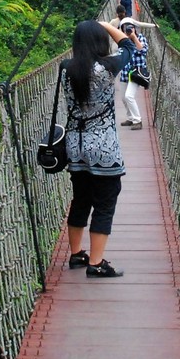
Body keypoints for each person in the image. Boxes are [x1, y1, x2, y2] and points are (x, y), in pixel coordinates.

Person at [62, 18, 137, 278]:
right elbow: (129, 46)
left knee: (80, 199)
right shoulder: (107, 67)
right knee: (105, 203)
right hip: (103, 148)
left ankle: (76, 254)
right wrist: (105, 24)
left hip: (75, 146)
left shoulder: (65, 68)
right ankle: (95, 263)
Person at [117, 17, 155, 129]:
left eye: (130, 27)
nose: (128, 30)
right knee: (124, 97)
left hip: (136, 73)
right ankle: (130, 118)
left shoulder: (141, 37)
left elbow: (143, 51)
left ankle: (137, 121)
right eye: (125, 28)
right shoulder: (122, 40)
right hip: (125, 72)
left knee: (129, 96)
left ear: (134, 28)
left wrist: (133, 37)